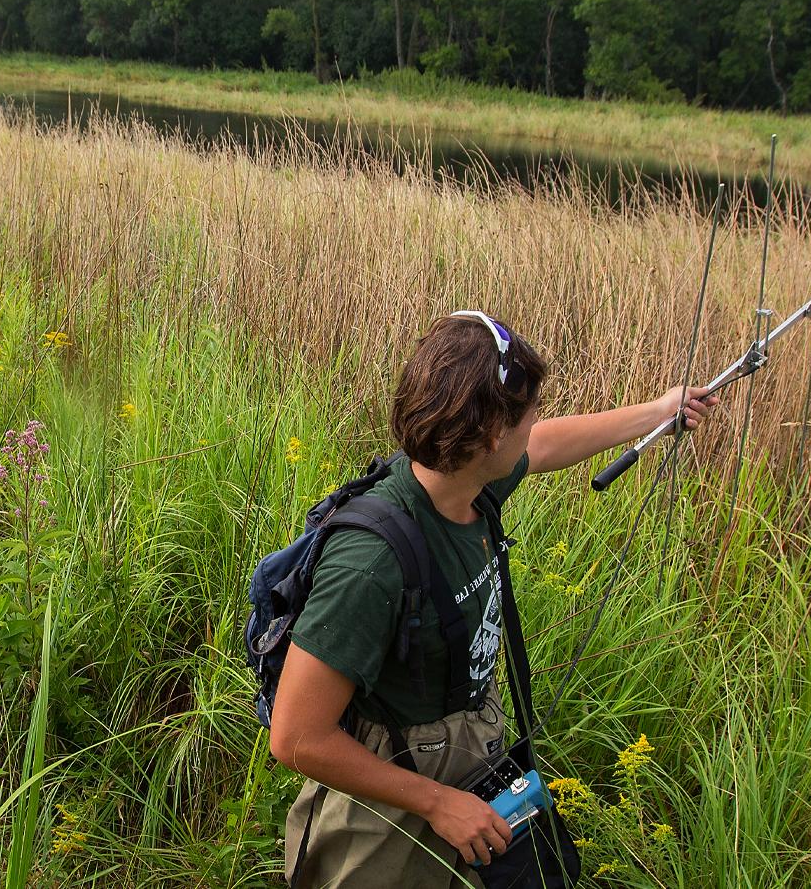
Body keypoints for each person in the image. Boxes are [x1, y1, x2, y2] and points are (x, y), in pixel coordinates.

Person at [268, 311, 719, 888]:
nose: (536, 428)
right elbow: (297, 736)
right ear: (490, 437)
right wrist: (437, 803)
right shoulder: (368, 566)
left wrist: (659, 411)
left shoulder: (468, 482)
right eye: (528, 418)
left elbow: (552, 443)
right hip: (386, 805)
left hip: (467, 761)